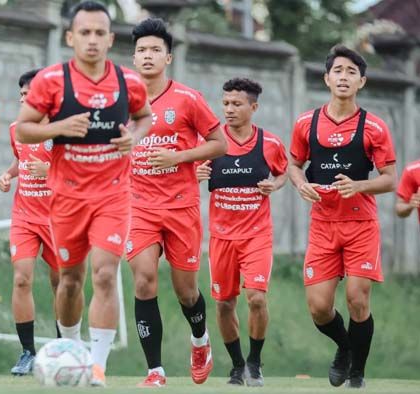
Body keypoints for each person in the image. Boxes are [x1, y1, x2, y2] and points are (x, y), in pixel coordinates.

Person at [15, 1, 153, 387]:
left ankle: (96, 366)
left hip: (113, 194)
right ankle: (71, 351)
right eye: (85, 33)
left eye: (99, 33)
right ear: (70, 37)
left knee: (106, 275)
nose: (92, 41)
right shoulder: (50, 82)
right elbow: (23, 129)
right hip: (67, 197)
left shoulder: (129, 82)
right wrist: (58, 127)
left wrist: (134, 138)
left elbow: (144, 116)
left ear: (110, 39)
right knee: (70, 281)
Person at [288, 45, 396, 389]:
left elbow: (390, 178)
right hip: (323, 225)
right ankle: (346, 348)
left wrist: (360, 185)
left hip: (361, 226)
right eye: (338, 71)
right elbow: (293, 165)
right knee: (319, 308)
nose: (344, 77)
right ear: (327, 78)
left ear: (361, 81)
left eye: (351, 72)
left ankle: (358, 372)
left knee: (356, 298)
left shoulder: (374, 127)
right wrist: (301, 183)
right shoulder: (306, 123)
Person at [127, 18, 227, 387]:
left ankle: (200, 341)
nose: (148, 56)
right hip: (138, 207)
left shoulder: (187, 99)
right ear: (134, 57)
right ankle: (155, 371)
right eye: (141, 50)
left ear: (167, 57)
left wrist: (180, 157)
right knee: (144, 281)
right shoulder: (122, 100)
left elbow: (220, 144)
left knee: (186, 292)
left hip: (181, 207)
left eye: (155, 50)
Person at [196, 78, 288, 386]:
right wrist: (196, 173)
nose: (229, 110)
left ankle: (254, 362)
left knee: (257, 299)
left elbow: (283, 171)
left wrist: (273, 184)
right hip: (222, 237)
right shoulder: (212, 142)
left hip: (256, 235)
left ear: (253, 107)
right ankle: (236, 365)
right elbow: (189, 171)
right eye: (225, 104)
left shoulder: (270, 144)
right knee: (224, 304)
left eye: (237, 104)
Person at [0, 69, 60, 376]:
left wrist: (48, 173)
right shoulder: (15, 129)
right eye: (21, 95)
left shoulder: (62, 132)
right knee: (21, 279)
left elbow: (78, 173)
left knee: (63, 284)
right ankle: (27, 353)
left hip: (59, 218)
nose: (24, 100)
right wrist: (9, 174)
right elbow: (21, 159)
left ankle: (65, 347)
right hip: (24, 216)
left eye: (29, 95)